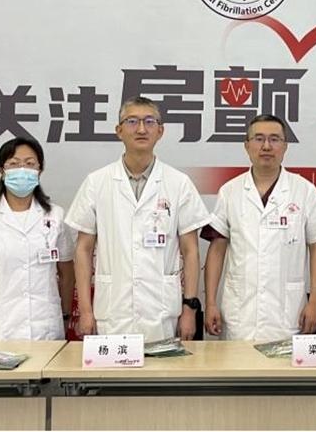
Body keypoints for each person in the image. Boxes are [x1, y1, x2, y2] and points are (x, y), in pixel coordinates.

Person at [65, 97, 210, 341]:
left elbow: (191, 251)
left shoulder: (178, 183)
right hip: (112, 310)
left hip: (162, 311)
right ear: (119, 130)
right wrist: (86, 311)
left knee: (161, 365)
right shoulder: (97, 182)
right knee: (112, 366)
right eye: (132, 121)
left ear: (160, 131)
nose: (141, 129)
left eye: (149, 122)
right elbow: (83, 249)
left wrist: (189, 309)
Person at [202, 115, 316, 341]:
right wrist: (211, 302)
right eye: (259, 139)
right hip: (240, 314)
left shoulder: (304, 190)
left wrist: (314, 302)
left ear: (285, 146)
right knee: (237, 360)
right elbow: (217, 250)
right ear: (247, 145)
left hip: (288, 314)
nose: (266, 146)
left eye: (274, 139)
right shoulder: (230, 191)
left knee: (285, 363)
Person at [0, 136, 74, 340]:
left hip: (45, 330)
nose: (22, 170)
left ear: (40, 170)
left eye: (30, 163)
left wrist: (65, 315)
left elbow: (67, 274)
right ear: (1, 171)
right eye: (14, 164)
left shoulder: (56, 216)